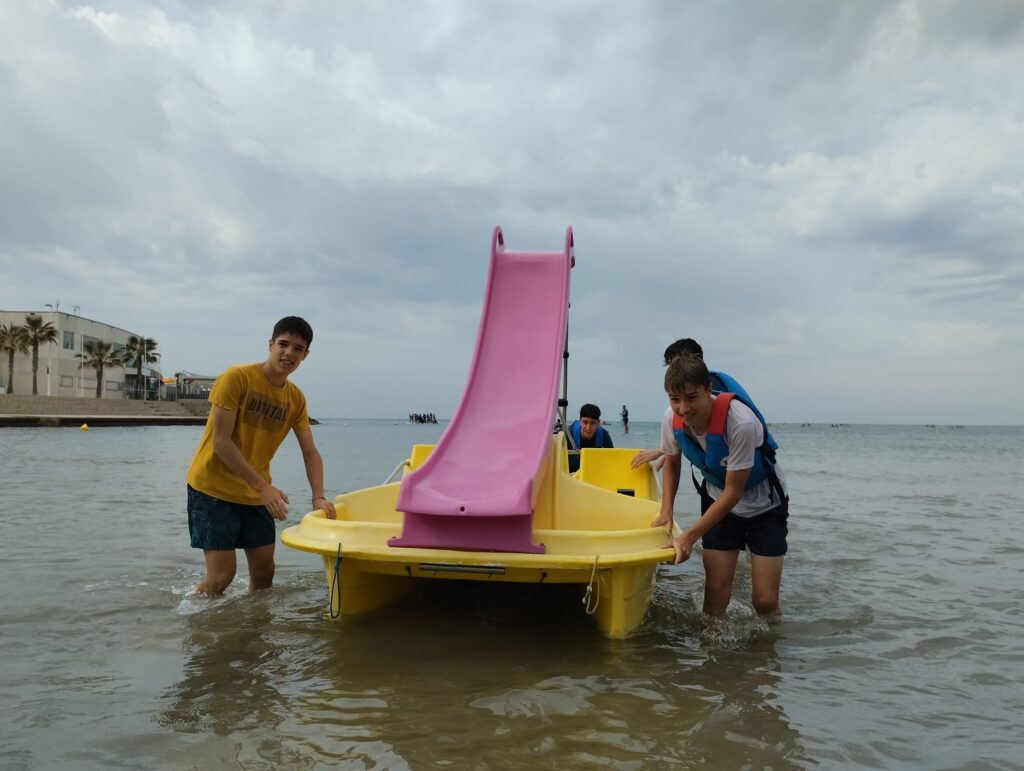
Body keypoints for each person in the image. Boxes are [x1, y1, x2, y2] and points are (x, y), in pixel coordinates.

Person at [185, 316, 337, 596]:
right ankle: (193, 615)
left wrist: (318, 496)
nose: (289, 353)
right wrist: (264, 488)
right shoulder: (237, 378)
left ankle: (253, 624)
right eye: (283, 344)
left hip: (255, 493)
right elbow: (221, 442)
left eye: (298, 348)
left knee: (265, 575)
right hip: (211, 488)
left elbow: (310, 452)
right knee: (221, 577)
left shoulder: (295, 398)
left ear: (305, 355)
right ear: (270, 344)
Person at [653, 354, 789, 617]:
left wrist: (688, 537)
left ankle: (770, 642)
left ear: (708, 390)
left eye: (692, 398)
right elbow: (672, 461)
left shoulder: (740, 422)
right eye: (675, 399)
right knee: (715, 594)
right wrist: (666, 509)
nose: (683, 409)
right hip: (718, 501)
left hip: (765, 505)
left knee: (764, 601)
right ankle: (711, 643)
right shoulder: (671, 418)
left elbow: (733, 492)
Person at [566, 403, 614, 473]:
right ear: (580, 421)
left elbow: (612, 457)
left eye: (592, 423)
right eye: (585, 422)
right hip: (571, 474)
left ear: (598, 423)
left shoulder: (603, 435)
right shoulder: (569, 435)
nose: (588, 428)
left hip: (592, 473)